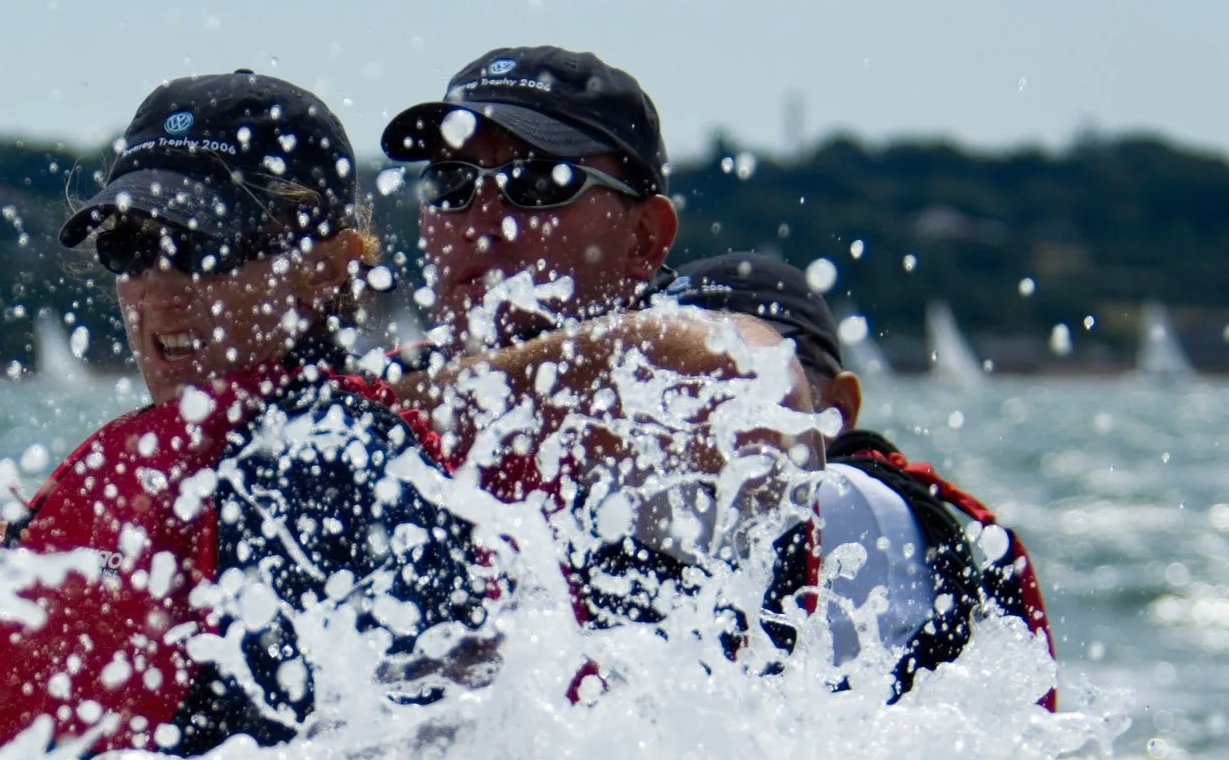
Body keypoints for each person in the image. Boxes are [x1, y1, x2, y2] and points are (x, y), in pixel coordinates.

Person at [0, 71, 486, 757]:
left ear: (325, 266)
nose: (158, 288)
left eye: (202, 246)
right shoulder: (183, 462)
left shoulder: (331, 463)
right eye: (131, 247)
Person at [377, 47, 822, 642]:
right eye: (451, 183)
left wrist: (402, 410)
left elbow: (755, 379)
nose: (482, 219)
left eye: (536, 182)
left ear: (645, 237)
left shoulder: (672, 377)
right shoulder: (399, 381)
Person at [663, 252, 1056, 702]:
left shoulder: (857, 505)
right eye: (668, 384)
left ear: (838, 408)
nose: (704, 413)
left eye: (745, 377)